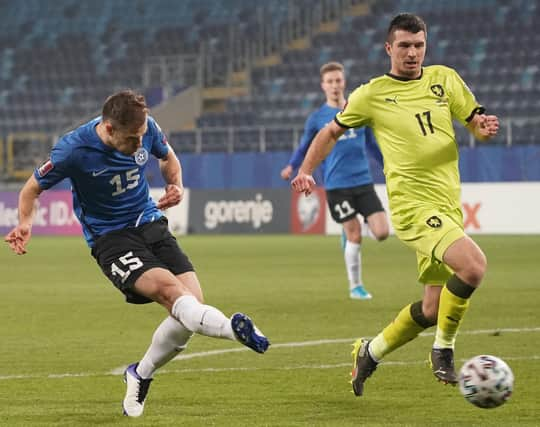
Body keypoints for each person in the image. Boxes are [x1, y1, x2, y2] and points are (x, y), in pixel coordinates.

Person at [4, 90, 270, 417]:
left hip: (149, 221)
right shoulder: (73, 149)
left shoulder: (147, 129)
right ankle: (235, 329)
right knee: (172, 294)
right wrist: (25, 223)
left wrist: (176, 184)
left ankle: (140, 373)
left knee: (190, 309)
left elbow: (168, 158)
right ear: (109, 129)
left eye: (142, 136)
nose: (138, 145)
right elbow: (32, 188)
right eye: (132, 139)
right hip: (110, 237)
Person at [291, 13, 499, 395]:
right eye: (404, 45)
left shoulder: (444, 79)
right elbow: (331, 131)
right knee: (473, 267)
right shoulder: (371, 94)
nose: (412, 53)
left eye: (418, 45)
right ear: (389, 48)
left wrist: (482, 129)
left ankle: (370, 352)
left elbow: (474, 121)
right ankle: (444, 350)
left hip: (447, 203)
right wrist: (306, 170)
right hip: (411, 206)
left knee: (434, 309)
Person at [281, 62, 389, 300]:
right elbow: (305, 146)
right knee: (355, 233)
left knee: (382, 233)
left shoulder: (358, 110)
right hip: (337, 185)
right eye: (329, 81)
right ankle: (356, 286)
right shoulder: (317, 118)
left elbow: (372, 143)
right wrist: (292, 165)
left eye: (338, 80)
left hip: (363, 181)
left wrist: (388, 166)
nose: (334, 85)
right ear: (323, 86)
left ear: (344, 82)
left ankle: (355, 228)